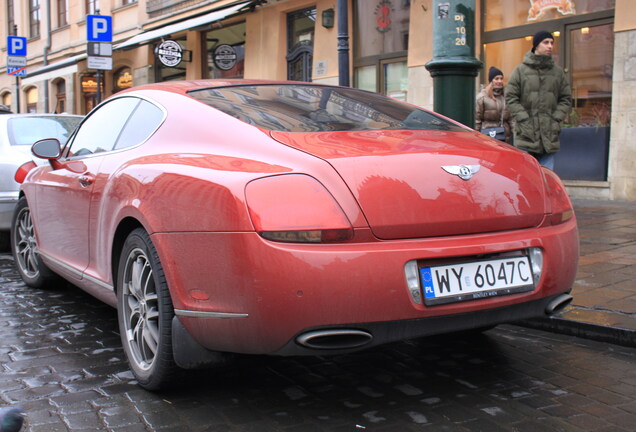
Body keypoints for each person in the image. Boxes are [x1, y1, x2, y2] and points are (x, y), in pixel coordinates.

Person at [505, 30, 572, 169]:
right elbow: (511, 97)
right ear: (536, 45)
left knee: (547, 181)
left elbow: (565, 98)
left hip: (549, 136)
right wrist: (524, 119)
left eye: (552, 43)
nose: (550, 46)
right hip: (526, 135)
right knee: (527, 179)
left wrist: (556, 119)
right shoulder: (520, 71)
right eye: (546, 42)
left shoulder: (557, 72)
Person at [476, 66, 511, 143]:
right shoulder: (482, 97)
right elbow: (477, 120)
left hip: (505, 138)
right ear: (491, 80)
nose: (500, 81)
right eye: (496, 78)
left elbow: (511, 119)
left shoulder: (506, 96)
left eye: (501, 78)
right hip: (487, 138)